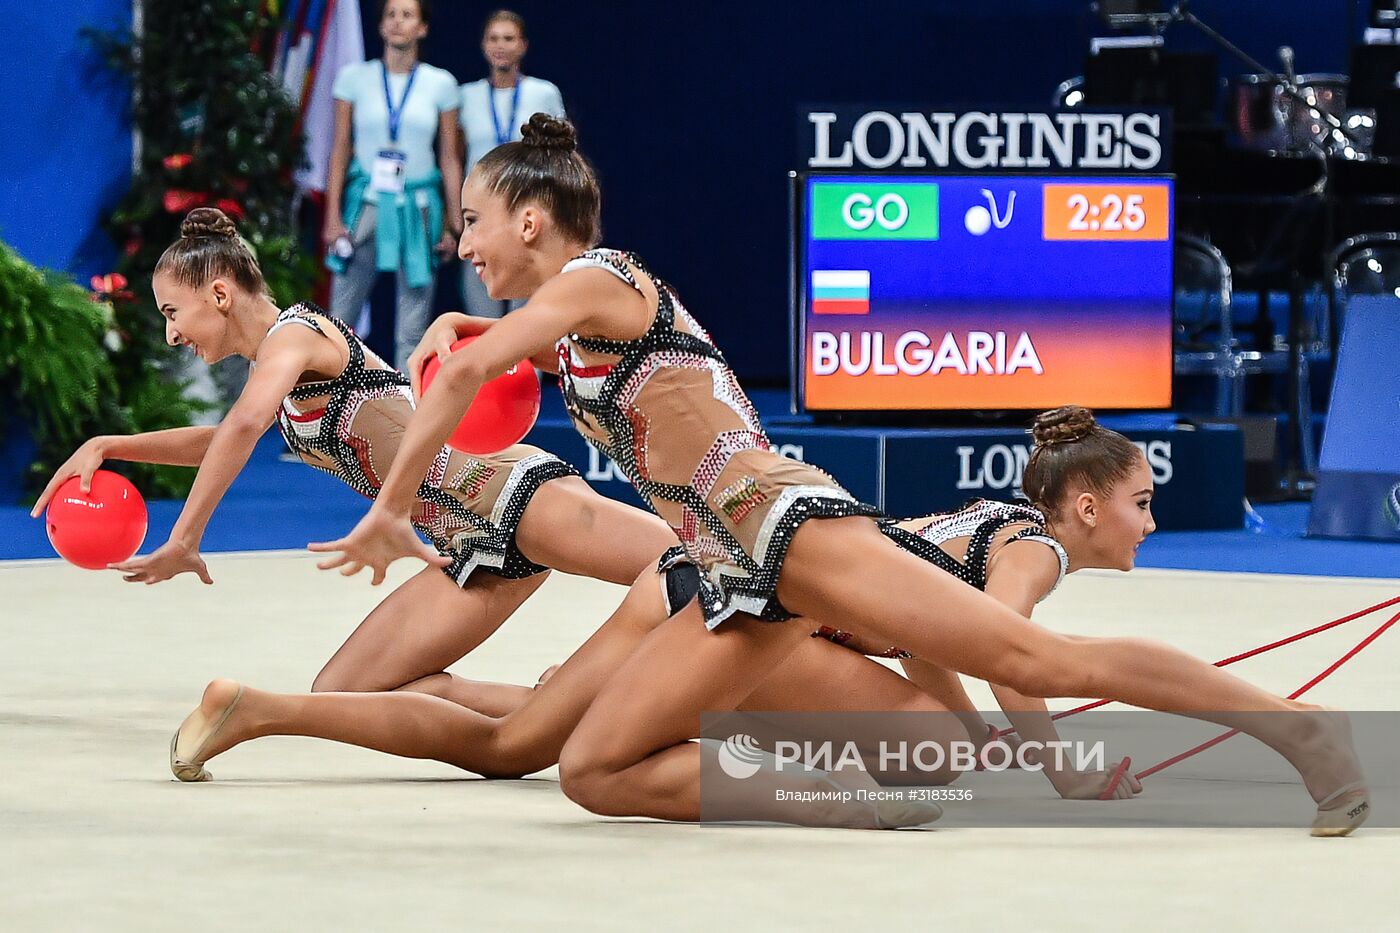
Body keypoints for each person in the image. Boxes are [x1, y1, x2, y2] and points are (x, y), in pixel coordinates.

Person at [308, 114, 1369, 836]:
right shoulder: (578, 310)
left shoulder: (599, 278)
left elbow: (488, 365)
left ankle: (1298, 732)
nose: (468, 244)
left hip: (786, 529)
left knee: (1034, 660)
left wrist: (392, 505)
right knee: (593, 774)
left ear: (527, 220)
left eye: (473, 226)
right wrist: (462, 322)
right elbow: (510, 347)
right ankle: (839, 797)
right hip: (734, 576)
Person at [166, 408, 1172, 821]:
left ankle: (262, 707)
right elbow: (1016, 657)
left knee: (517, 738)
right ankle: (271, 709)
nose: (1149, 519)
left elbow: (935, 646)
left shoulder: (985, 521)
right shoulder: (1031, 549)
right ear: (1080, 506)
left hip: (693, 581)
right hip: (754, 610)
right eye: (1138, 502)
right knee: (927, 765)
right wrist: (1056, 769)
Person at [31, 207, 677, 703]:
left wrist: (186, 536)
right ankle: (560, 705)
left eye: (173, 312)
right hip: (473, 544)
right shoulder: (276, 376)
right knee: (343, 694)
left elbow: (244, 424)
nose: (172, 333)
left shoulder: (297, 334)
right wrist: (109, 444)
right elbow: (229, 432)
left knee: (702, 576)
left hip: (512, 494)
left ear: (220, 295)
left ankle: (766, 755)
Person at [323, 0, 463, 370]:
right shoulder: (354, 78)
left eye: (407, 15)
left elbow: (449, 156)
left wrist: (454, 220)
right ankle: (333, 405)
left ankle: (407, 414)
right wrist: (331, 215)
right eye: (391, 15)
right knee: (341, 317)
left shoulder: (441, 83)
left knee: (414, 323)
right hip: (365, 202)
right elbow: (339, 148)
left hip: (418, 205)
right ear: (382, 26)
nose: (398, 22)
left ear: (422, 28)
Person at [458, 10, 565, 319]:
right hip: (479, 215)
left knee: (530, 316)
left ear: (523, 45)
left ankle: (532, 370)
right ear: (483, 45)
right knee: (481, 314)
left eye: (508, 38)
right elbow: (453, 155)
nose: (500, 45)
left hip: (528, 212)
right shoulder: (466, 96)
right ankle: (488, 369)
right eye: (494, 38)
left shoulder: (543, 92)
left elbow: (560, 155)